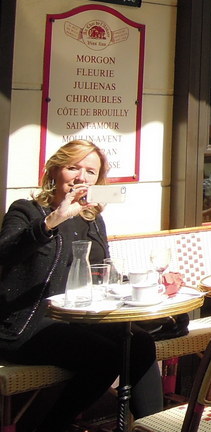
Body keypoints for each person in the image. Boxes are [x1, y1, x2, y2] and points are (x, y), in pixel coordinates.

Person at [0, 140, 162, 432]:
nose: (81, 177)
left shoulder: (91, 218)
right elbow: (5, 252)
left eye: (90, 171)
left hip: (74, 318)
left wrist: (148, 281)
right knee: (105, 357)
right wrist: (53, 220)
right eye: (73, 168)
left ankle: (153, 428)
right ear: (54, 171)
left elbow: (104, 272)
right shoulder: (27, 210)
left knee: (139, 343)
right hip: (25, 323)